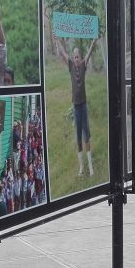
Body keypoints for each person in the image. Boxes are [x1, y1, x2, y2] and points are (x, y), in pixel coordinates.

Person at [54, 35, 98, 176]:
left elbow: (90, 52)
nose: (76, 59)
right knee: (78, 137)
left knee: (86, 136)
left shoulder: (83, 65)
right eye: (75, 57)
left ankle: (90, 167)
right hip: (76, 107)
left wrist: (93, 41)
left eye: (78, 57)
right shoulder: (71, 66)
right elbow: (62, 53)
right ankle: (81, 167)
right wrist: (57, 41)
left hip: (83, 106)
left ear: (81, 57)